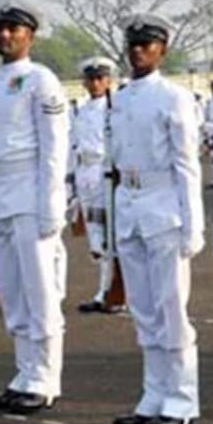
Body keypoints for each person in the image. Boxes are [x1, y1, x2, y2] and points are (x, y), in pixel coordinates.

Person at [105, 14, 205, 424]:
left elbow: (187, 165)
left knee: (170, 310)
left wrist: (192, 224)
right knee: (145, 313)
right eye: (133, 44)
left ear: (162, 50)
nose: (138, 52)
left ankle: (180, 399)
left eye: (148, 45)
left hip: (164, 206)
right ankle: (152, 395)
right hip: (130, 205)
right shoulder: (122, 97)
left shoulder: (174, 97)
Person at [0, 0, 69, 415]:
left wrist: (51, 203)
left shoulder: (41, 80)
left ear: (30, 35)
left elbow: (54, 146)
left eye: (14, 29)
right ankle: (24, 372)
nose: (5, 35)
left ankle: (46, 378)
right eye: (1, 28)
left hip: (30, 190)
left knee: (39, 289)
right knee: (12, 290)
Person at [70, 56, 123, 314]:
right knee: (95, 236)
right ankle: (104, 289)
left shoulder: (115, 108)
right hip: (85, 173)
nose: (94, 83)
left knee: (108, 236)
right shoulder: (80, 109)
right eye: (90, 79)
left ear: (109, 80)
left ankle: (111, 291)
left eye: (100, 78)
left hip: (105, 173)